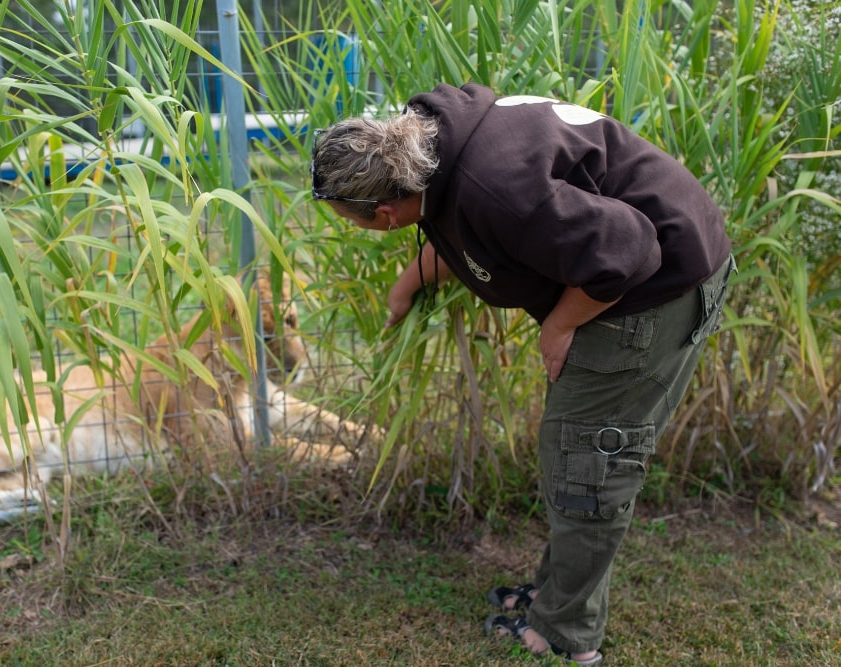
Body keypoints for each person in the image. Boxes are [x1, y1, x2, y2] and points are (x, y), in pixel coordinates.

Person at [311, 83, 734, 665]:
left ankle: (566, 635)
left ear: (384, 213)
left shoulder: (497, 188)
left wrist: (559, 326)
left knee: (588, 460)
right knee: (572, 448)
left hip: (657, 286)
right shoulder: (435, 148)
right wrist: (407, 288)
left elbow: (629, 250)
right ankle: (557, 597)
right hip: (660, 252)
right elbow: (464, 225)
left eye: (352, 220)